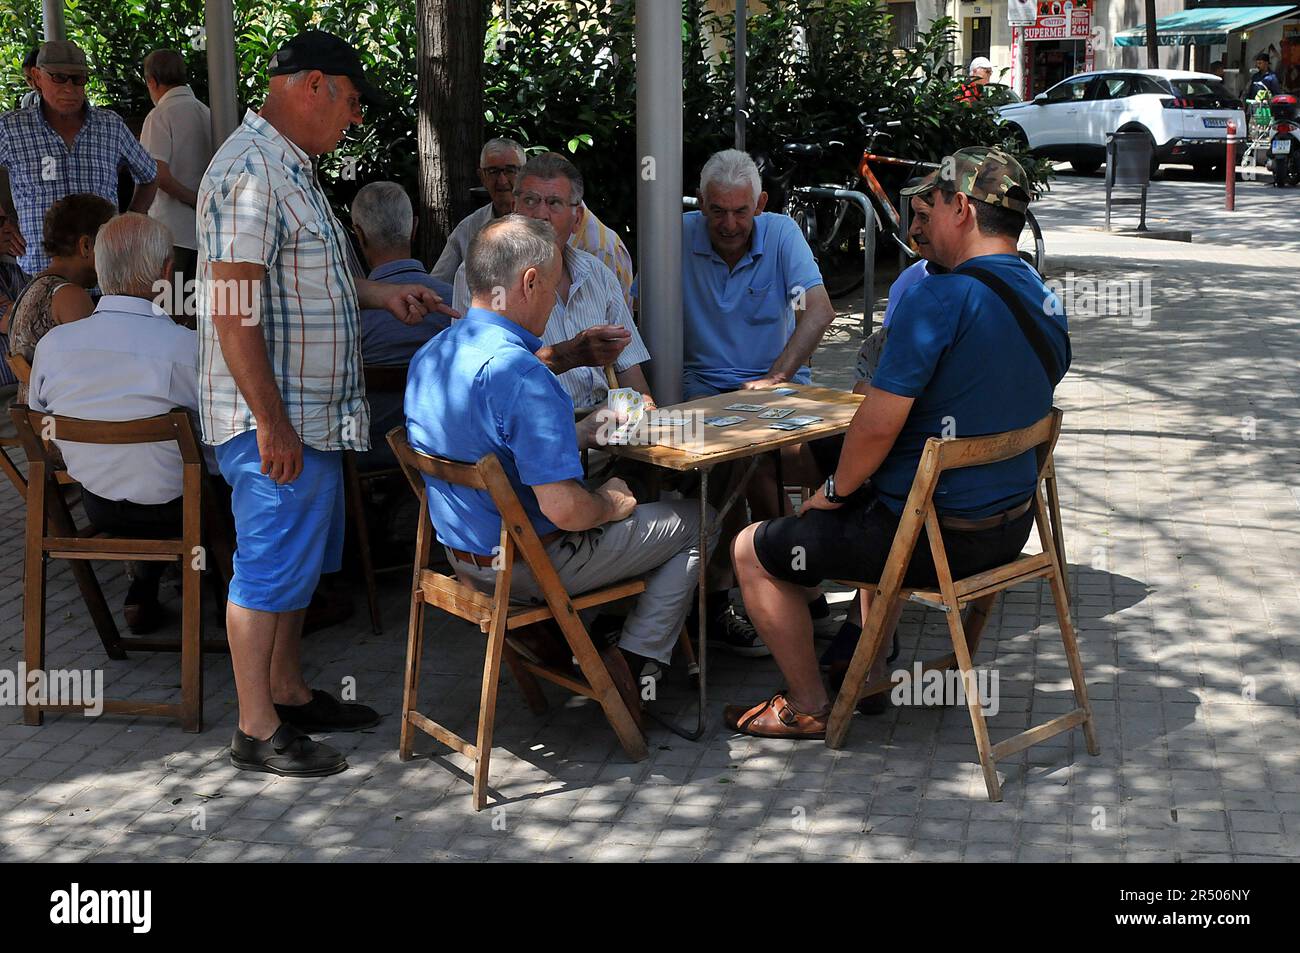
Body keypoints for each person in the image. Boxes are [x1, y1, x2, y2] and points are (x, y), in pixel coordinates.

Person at [726, 147, 1069, 739]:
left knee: (752, 549)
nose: (918, 225)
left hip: (933, 538)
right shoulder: (1046, 296)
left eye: (928, 206)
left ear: (961, 208)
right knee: (856, 481)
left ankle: (810, 705)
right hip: (1007, 529)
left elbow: (878, 423)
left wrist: (830, 493)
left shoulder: (940, 298)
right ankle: (865, 658)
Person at [197, 30, 455, 778]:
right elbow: (233, 310)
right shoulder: (250, 170)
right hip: (273, 420)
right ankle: (255, 728)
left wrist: (379, 292)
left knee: (294, 568)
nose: (353, 120)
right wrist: (271, 421)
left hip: (306, 416)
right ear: (313, 84)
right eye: (349, 102)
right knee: (266, 568)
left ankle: (286, 692)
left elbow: (301, 283)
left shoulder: (289, 167)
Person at [407, 214, 716, 685]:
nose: (554, 302)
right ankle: (630, 662)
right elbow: (568, 511)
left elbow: (485, 447)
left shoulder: (433, 355)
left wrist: (577, 434)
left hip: (463, 557)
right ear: (529, 282)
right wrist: (611, 502)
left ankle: (590, 642)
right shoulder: (523, 375)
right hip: (530, 566)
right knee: (702, 519)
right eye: (553, 288)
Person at [27, 214, 198, 633]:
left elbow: (40, 426)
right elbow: (219, 435)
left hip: (98, 504)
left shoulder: (53, 346)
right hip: (181, 510)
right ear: (165, 272)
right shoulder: (186, 347)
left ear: (99, 268)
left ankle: (144, 583)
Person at [452, 152, 652, 410]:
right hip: (531, 429)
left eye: (554, 203)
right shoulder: (481, 272)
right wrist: (569, 355)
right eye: (531, 200)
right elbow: (481, 375)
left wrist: (647, 414)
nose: (540, 214)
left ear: (577, 217)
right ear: (514, 208)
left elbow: (630, 373)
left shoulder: (597, 272)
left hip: (608, 426)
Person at [0, 40, 157, 280]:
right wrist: (2, 223)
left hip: (105, 276)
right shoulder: (12, 128)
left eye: (78, 79)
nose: (70, 88)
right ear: (37, 77)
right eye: (58, 78)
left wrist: (129, 221)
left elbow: (149, 175)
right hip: (39, 276)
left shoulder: (110, 126)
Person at [350, 180, 454, 465]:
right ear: (414, 228)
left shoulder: (347, 316)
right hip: (444, 454)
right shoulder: (453, 302)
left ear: (359, 234)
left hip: (370, 457)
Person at [3, 194, 116, 402]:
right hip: (62, 425)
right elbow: (98, 373)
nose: (113, 254)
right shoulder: (69, 296)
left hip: (36, 424)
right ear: (86, 246)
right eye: (109, 244)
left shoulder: (33, 287)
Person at [140, 49, 213, 318]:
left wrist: (194, 199)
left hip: (171, 233)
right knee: (199, 316)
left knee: (169, 315)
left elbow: (158, 175)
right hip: (206, 233)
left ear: (152, 81)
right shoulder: (208, 113)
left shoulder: (159, 116)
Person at [430, 137, 525, 282]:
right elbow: (437, 286)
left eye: (510, 170)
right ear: (482, 177)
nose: (502, 180)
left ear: (524, 173)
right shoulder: (467, 229)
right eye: (493, 171)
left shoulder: (542, 220)